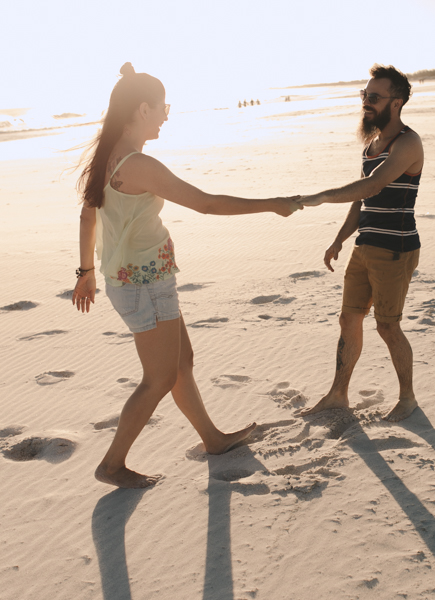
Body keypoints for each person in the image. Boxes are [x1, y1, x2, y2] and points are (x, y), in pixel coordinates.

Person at [72, 63, 301, 489]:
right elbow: (206, 204)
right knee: (159, 378)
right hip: (143, 284)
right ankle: (112, 464)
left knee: (182, 363)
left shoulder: (107, 156)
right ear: (144, 109)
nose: (166, 115)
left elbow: (88, 216)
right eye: (163, 107)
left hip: (138, 279)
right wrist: (272, 204)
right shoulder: (137, 164)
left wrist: (86, 271)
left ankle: (212, 439)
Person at [299, 64, 423, 423]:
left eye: (374, 97)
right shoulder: (372, 145)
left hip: (395, 248)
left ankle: (408, 398)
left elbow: (373, 185)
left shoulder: (408, 143)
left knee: (387, 326)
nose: (366, 102)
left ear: (396, 103)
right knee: (348, 319)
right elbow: (362, 199)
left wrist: (321, 196)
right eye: (364, 95)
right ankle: (338, 395)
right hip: (365, 246)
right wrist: (339, 239)